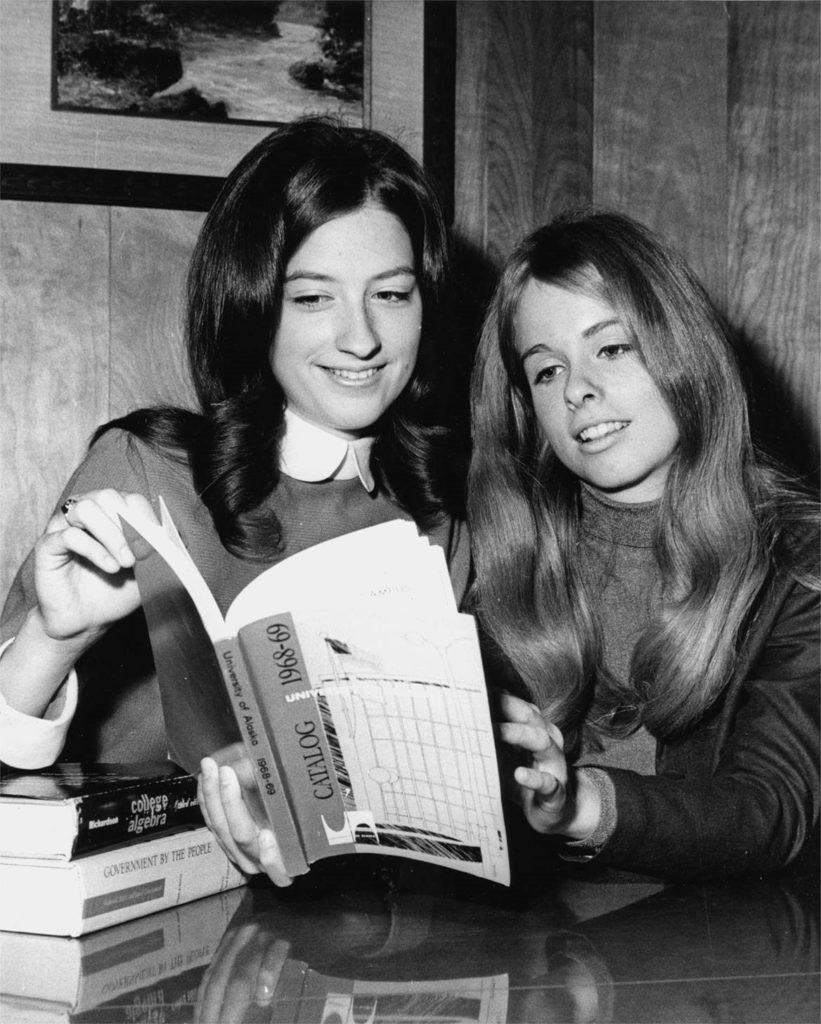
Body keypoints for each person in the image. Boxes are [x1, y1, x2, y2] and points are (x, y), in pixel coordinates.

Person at [0, 116, 470, 885]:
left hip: (332, 928)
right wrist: (53, 639)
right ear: (252, 304)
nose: (361, 338)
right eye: (313, 298)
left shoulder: (433, 523)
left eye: (390, 294)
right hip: (119, 901)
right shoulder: (144, 468)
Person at [468, 210, 819, 880]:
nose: (577, 389)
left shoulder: (798, 563)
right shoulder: (499, 572)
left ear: (680, 352)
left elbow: (768, 812)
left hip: (734, 966)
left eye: (610, 348)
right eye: (545, 371)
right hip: (548, 963)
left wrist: (577, 805)